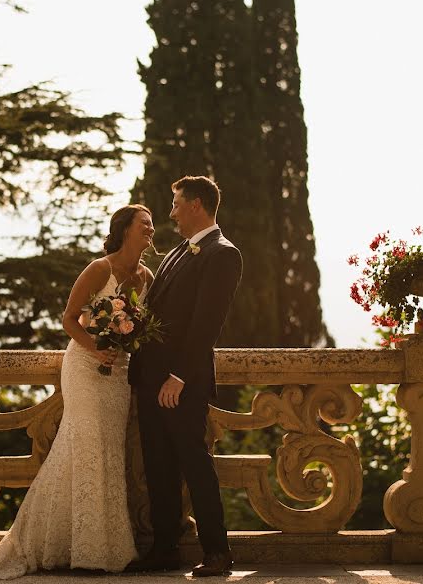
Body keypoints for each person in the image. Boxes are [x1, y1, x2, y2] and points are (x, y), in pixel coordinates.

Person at [0, 205, 156, 580]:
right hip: (85, 366)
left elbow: (141, 327)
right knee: (85, 445)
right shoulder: (99, 269)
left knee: (109, 451)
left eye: (152, 224)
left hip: (118, 374)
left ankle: (103, 546)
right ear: (125, 230)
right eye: (144, 223)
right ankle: (75, 547)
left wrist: (127, 342)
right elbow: (68, 319)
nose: (151, 228)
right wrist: (97, 346)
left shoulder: (146, 276)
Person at [127, 176, 243, 577]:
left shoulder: (223, 254)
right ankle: (164, 549)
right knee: (158, 466)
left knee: (195, 465)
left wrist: (178, 376)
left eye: (176, 204)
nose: (171, 212)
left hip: (181, 382)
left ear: (196, 205)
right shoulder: (178, 251)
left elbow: (206, 325)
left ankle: (217, 552)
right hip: (149, 378)